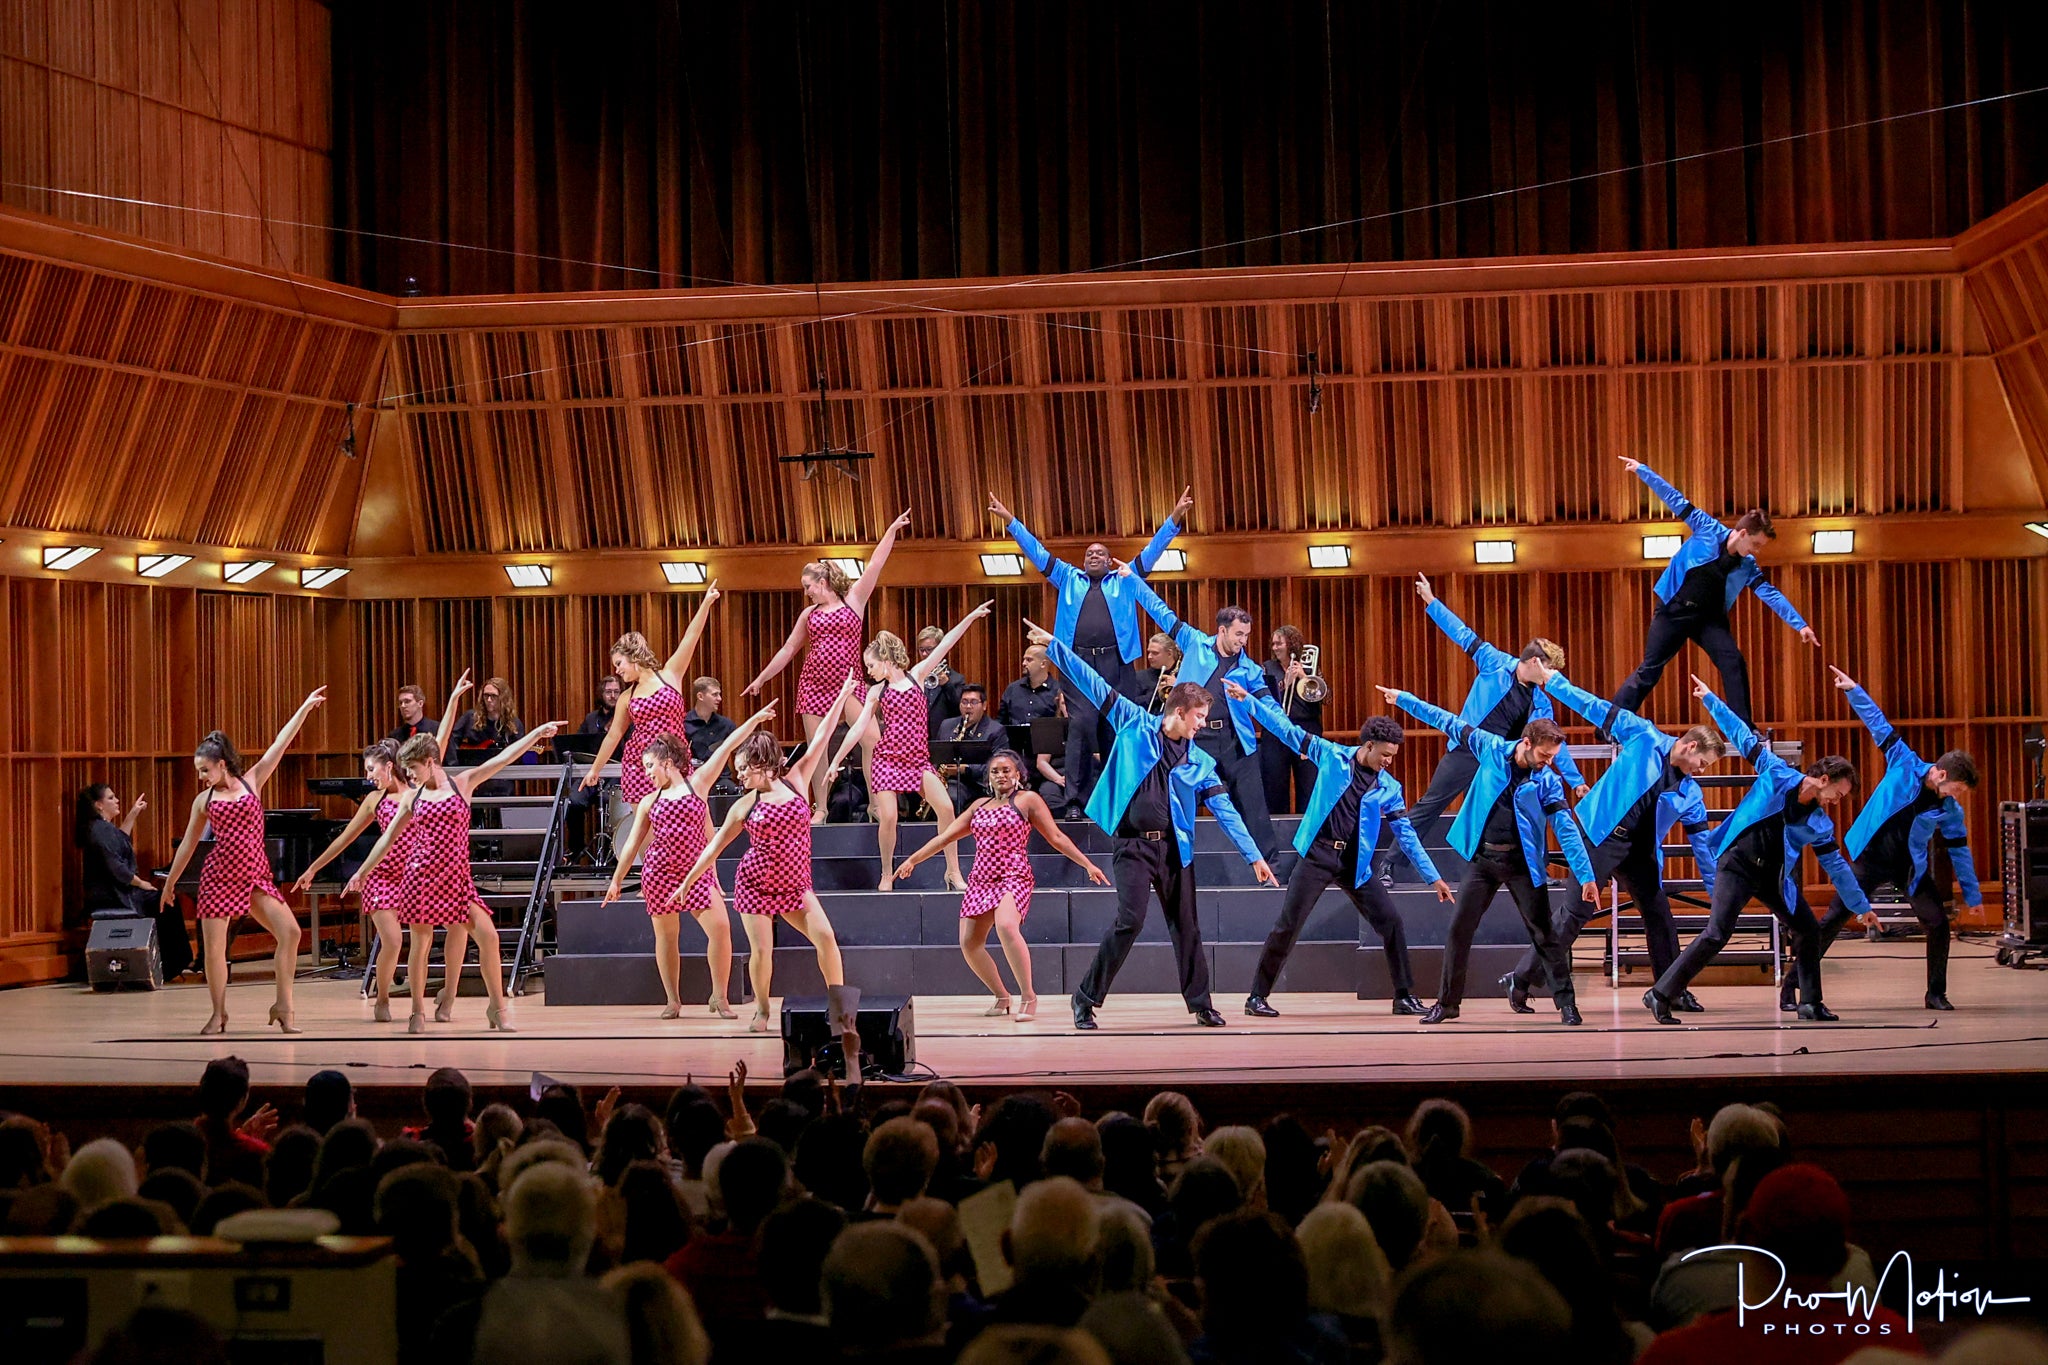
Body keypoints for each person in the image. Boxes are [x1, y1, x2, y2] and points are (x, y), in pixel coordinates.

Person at [1030, 622, 1276, 1031]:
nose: (1202, 725)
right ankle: (1085, 998)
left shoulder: (1200, 762)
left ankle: (1201, 1004)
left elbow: (1226, 810)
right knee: (1130, 921)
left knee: (1187, 927)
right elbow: (1093, 683)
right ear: (1179, 712)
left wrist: (1254, 856)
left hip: (1174, 850)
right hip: (1132, 846)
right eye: (1198, 717)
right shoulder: (1135, 724)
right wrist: (1055, 647)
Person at [1644, 676, 1868, 1024]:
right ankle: (1660, 993)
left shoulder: (1820, 823)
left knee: (1808, 929)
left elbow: (1836, 865)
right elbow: (1743, 737)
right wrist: (1711, 700)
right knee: (1717, 933)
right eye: (1839, 793)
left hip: (1771, 877)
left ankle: (1810, 1003)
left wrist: (1860, 906)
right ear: (1824, 780)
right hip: (1736, 864)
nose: (1838, 801)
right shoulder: (1777, 774)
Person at [1503, 666, 1723, 1014]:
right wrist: (1554, 682)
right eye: (1703, 762)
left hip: (1638, 852)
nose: (1702, 769)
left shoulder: (1690, 793)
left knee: (1659, 913)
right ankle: (1522, 978)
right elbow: (1593, 706)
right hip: (1598, 837)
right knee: (1575, 913)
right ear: (1691, 745)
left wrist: (1718, 894)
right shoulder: (1644, 736)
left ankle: (1671, 989)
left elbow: (1703, 848)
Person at [1224, 687, 1451, 1018]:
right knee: (1289, 924)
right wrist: (1251, 703)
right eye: (1385, 754)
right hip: (1318, 855)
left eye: (1394, 755)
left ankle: (1403, 996)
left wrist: (1434, 877)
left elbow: (1407, 835)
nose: (1389, 761)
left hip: (1354, 863)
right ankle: (1256, 996)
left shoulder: (1389, 787)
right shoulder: (1331, 755)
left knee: (1391, 922)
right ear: (1368, 746)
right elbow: (1287, 731)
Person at [1376, 685, 1597, 1025]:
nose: (1548, 763)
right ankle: (1447, 1004)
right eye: (1544, 755)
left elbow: (1566, 829)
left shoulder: (1547, 781)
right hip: (1483, 862)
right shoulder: (1491, 748)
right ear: (1526, 743)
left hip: (1523, 865)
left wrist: (1586, 876)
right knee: (1459, 931)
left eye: (1552, 758)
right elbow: (1447, 721)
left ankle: (1567, 1005)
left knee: (1544, 935)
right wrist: (1404, 700)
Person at [346, 715, 566, 1032]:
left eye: (413, 769)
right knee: (421, 944)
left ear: (430, 761)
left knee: (488, 937)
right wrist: (362, 872)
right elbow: (387, 839)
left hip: (456, 879)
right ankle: (418, 1012)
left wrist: (535, 734)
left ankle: (497, 1008)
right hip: (421, 878)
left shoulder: (462, 783)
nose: (409, 775)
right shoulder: (413, 796)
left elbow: (503, 758)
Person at [990, 487, 1192, 816]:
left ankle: (1119, 800)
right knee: (1082, 728)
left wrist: (1174, 518)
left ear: (1109, 558)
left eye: (1100, 553)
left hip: (1117, 663)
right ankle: (1075, 802)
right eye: (1089, 554)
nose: (1093, 556)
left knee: (1117, 729)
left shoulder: (1124, 578)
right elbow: (1037, 552)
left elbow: (1153, 551)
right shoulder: (1067, 576)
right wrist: (1011, 522)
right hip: (1078, 664)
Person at [1378, 575, 1586, 885]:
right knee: (1429, 805)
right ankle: (1388, 866)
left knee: (1532, 808)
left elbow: (1555, 745)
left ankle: (1537, 874)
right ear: (1532, 661)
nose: (1550, 678)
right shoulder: (1494, 662)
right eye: (1548, 670)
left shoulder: (1541, 701)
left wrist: (1577, 781)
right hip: (1468, 747)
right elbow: (1462, 634)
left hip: (1502, 760)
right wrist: (1432, 602)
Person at [679, 675, 858, 1034]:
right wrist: (687, 881)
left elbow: (821, 736)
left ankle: (841, 1010)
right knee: (763, 951)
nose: (740, 775)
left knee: (826, 938)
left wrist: (841, 694)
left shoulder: (796, 780)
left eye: (745, 769)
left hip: (795, 884)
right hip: (755, 883)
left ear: (763, 764)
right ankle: (762, 1010)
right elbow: (713, 847)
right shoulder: (744, 805)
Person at [293, 674, 471, 1021]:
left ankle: (443, 996)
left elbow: (441, 738)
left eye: (372, 769)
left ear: (390, 767)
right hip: (381, 876)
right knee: (392, 941)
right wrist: (314, 867)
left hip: (415, 874)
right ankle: (384, 996)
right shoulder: (374, 800)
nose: (368, 776)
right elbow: (345, 837)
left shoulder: (416, 791)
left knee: (441, 933)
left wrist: (451, 701)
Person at [159, 688, 328, 1035]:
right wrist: (170, 883)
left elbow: (279, 745)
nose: (201, 776)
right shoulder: (203, 800)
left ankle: (283, 1005)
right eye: (199, 771)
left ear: (222, 764)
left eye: (205, 769)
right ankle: (218, 1013)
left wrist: (304, 709)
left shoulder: (252, 781)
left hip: (254, 875)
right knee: (215, 952)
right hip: (219, 876)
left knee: (291, 933)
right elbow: (188, 846)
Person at [895, 749, 1109, 1022]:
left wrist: (1087, 864)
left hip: (1013, 876)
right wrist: (912, 859)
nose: (1001, 775)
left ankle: (1029, 996)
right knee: (969, 942)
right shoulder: (979, 806)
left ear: (1018, 774)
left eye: (1006, 770)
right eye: (995, 771)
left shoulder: (1027, 800)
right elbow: (945, 837)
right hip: (981, 879)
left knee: (1007, 926)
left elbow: (1056, 836)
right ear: (989, 777)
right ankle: (1001, 995)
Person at [1816, 667, 1981, 1011]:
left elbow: (1960, 852)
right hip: (1870, 858)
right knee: (1833, 919)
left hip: (1910, 868)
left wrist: (1973, 895)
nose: (1959, 795)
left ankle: (1936, 993)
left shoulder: (1950, 811)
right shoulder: (1904, 763)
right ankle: (1794, 986)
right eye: (1958, 788)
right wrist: (1853, 690)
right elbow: (1879, 725)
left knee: (1937, 923)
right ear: (1941, 773)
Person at [1609, 458, 1819, 724]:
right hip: (1674, 610)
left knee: (1733, 661)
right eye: (1755, 543)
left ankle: (1744, 728)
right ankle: (1611, 723)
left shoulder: (1748, 566)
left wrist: (1800, 625)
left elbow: (1770, 593)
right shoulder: (1706, 527)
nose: (1756, 550)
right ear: (1742, 533)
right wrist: (1642, 471)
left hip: (1708, 618)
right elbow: (1674, 498)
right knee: (1649, 670)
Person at [603, 708, 781, 1020]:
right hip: (659, 873)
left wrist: (753, 721)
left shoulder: (697, 784)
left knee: (721, 929)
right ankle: (673, 1000)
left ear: (667, 763)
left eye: (650, 766)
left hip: (696, 872)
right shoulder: (649, 801)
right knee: (667, 937)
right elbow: (631, 843)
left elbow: (726, 746)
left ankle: (720, 996)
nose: (647, 773)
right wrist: (617, 880)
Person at [743, 511, 912, 819]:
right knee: (817, 748)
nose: (806, 592)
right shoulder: (809, 615)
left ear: (823, 582)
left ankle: (876, 801)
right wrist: (761, 678)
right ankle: (819, 807)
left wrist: (890, 531)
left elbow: (875, 565)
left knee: (872, 738)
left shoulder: (853, 600)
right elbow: (789, 648)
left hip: (848, 685)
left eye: (808, 586)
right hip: (814, 685)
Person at [829, 605, 995, 893]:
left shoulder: (916, 676)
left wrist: (968, 617)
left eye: (870, 665)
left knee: (945, 808)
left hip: (917, 761)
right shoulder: (876, 692)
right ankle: (885, 872)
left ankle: (953, 871)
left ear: (885, 659)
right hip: (887, 760)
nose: (868, 672)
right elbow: (858, 728)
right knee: (889, 816)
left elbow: (945, 644)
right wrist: (835, 762)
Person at [1120, 565, 1279, 860]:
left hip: (1235, 743)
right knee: (1172, 800)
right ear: (1222, 630)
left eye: (1246, 635)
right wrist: (1133, 583)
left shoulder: (1251, 670)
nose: (1243, 640)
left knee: (1255, 809)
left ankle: (1272, 868)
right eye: (1238, 634)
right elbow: (1162, 612)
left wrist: (1294, 735)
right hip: (1195, 739)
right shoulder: (1194, 642)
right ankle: (1165, 859)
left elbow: (1273, 712)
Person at [581, 585, 721, 820]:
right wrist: (595, 769)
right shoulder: (627, 696)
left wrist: (705, 603)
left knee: (685, 824)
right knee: (648, 834)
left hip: (676, 761)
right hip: (639, 767)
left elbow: (691, 637)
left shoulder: (670, 675)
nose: (617, 670)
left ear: (633, 658)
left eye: (619, 663)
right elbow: (614, 735)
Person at [76, 783, 193, 979]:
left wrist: (132, 814)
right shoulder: (100, 829)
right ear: (98, 805)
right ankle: (173, 963)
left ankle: (173, 961)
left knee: (163, 900)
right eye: (111, 798)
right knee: (164, 903)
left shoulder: (102, 828)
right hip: (114, 895)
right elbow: (116, 867)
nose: (117, 800)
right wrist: (140, 883)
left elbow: (120, 840)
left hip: (117, 891)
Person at [1259, 626, 1323, 816]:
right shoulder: (1267, 668)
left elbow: (1324, 698)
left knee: (1309, 782)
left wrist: (1304, 677)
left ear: (1291, 644)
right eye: (1273, 643)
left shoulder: (1310, 667)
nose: (1275, 647)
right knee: (1275, 782)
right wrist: (1284, 684)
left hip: (1306, 729)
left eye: (1279, 643)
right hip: (1276, 730)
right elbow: (1263, 699)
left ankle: (1309, 830)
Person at [937, 684, 1007, 810]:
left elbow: (998, 765)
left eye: (974, 702)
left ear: (984, 705)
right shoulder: (946, 726)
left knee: (950, 797)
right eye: (964, 702)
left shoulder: (995, 730)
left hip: (978, 784)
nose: (968, 706)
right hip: (948, 781)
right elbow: (936, 756)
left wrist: (965, 769)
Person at [449, 677, 525, 759]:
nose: (489, 700)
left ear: (503, 698)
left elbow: (518, 754)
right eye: (486, 695)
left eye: (493, 696)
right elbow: (452, 740)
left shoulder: (514, 724)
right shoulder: (470, 717)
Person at [917, 625, 968, 738]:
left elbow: (961, 710)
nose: (924, 654)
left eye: (929, 649)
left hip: (943, 739)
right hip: (919, 739)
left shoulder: (956, 679)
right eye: (921, 650)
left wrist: (946, 685)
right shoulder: (915, 677)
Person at [999, 645, 1062, 726]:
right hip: (1016, 737)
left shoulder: (1058, 691)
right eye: (1024, 659)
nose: (1023, 663)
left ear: (1043, 664)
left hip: (1045, 737)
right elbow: (1001, 721)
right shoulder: (1013, 689)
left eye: (1029, 660)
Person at [683, 678, 735, 767]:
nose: (720, 698)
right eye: (715, 694)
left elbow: (742, 751)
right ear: (700, 696)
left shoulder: (727, 725)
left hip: (720, 777)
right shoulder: (683, 724)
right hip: (693, 775)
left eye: (719, 694)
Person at [1138, 631, 1181, 715]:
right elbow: (1132, 704)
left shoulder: (1184, 675)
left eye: (1155, 653)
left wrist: (1177, 687)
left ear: (1169, 653)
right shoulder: (1140, 677)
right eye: (1149, 652)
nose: (1149, 657)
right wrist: (1158, 694)